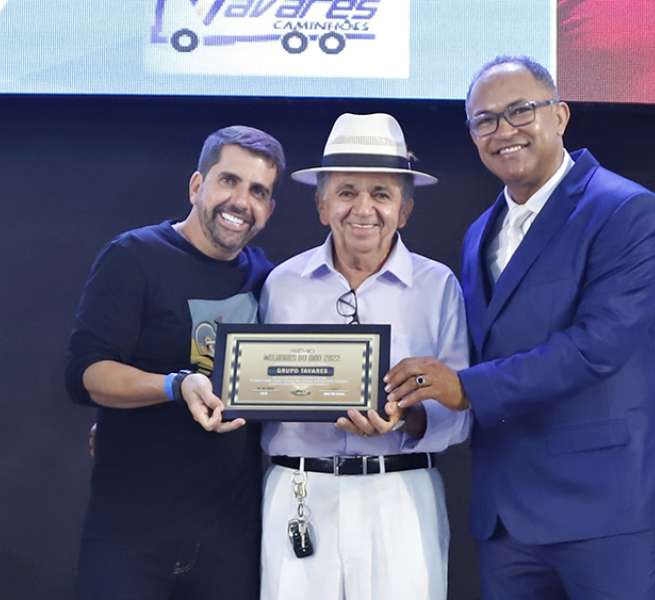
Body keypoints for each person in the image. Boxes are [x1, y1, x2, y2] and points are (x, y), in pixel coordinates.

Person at [385, 56, 655, 599]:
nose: (504, 131)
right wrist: (406, 405)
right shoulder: (480, 232)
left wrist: (463, 388)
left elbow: (598, 346)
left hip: (605, 506)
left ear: (560, 116)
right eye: (485, 120)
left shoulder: (626, 210)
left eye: (520, 110)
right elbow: (480, 349)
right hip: (506, 517)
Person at [65, 125, 285, 600]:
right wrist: (175, 385)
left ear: (269, 209)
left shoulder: (268, 278)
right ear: (196, 185)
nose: (241, 201)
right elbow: (86, 375)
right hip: (130, 534)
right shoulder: (134, 256)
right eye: (229, 180)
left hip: (230, 538)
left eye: (258, 191)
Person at [259, 113, 471, 600]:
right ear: (322, 205)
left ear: (404, 209)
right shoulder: (281, 284)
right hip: (299, 493)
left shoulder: (438, 286)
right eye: (347, 192)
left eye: (381, 194)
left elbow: (461, 411)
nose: (363, 208)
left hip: (399, 495)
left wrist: (405, 418)